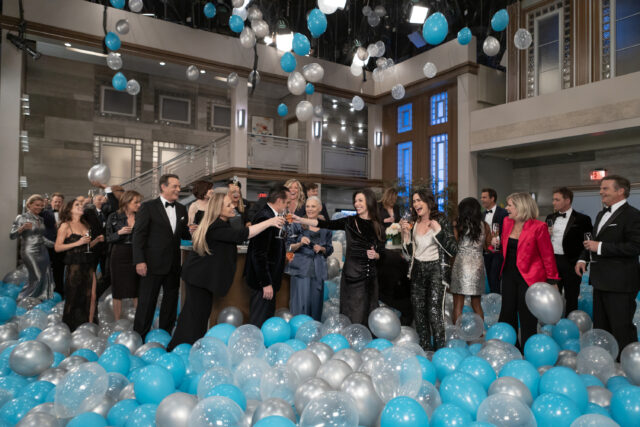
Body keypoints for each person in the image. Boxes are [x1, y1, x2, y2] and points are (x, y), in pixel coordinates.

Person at [168, 193, 285, 349]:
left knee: (197, 316)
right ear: (218, 208)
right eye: (228, 205)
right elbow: (243, 234)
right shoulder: (216, 226)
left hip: (201, 277)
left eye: (232, 204)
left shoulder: (221, 224)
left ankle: (187, 347)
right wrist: (270, 222)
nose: (233, 207)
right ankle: (181, 348)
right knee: (194, 317)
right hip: (199, 277)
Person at [294, 188, 385, 326]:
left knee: (369, 313)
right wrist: (300, 219)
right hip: (351, 276)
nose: (357, 204)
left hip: (370, 278)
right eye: (355, 201)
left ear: (369, 202)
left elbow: (382, 252)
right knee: (352, 314)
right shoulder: (350, 221)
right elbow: (325, 224)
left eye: (360, 200)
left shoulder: (378, 226)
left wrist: (376, 255)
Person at [576, 175, 640, 358]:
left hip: (621, 283)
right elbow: (594, 242)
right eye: (601, 188)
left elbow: (635, 246)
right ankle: (606, 362)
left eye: (605, 188)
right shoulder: (601, 213)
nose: (600, 192)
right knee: (602, 327)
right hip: (600, 281)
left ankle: (628, 365)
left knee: (621, 327)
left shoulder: (633, 215)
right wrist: (582, 259)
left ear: (621, 191)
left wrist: (601, 247)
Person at [495, 192, 560, 349]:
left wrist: (552, 280)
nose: (507, 208)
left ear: (521, 207)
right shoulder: (506, 222)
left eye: (510, 205)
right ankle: (510, 347)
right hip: (508, 274)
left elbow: (547, 256)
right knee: (507, 312)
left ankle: (528, 349)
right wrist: (493, 244)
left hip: (529, 277)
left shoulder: (539, 227)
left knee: (527, 315)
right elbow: (504, 247)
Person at [132, 174, 192, 337]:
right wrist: (139, 261)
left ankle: (165, 335)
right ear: (163, 187)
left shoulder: (181, 208)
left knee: (171, 303)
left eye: (179, 186)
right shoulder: (148, 207)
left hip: (173, 265)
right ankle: (139, 337)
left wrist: (194, 229)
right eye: (175, 186)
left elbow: (183, 233)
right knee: (146, 303)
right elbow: (138, 236)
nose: (178, 190)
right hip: (151, 264)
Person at [400, 190, 457, 351]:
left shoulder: (441, 221)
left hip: (436, 270)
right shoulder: (414, 223)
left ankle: (440, 350)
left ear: (428, 202)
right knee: (419, 313)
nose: (416, 204)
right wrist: (405, 236)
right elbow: (409, 255)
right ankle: (425, 349)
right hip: (418, 269)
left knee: (434, 312)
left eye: (419, 200)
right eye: (414, 201)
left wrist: (438, 231)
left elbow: (453, 250)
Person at [54, 197, 104, 330]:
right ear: (69, 209)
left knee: (92, 296)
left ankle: (90, 325)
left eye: (81, 204)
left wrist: (96, 241)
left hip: (88, 263)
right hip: (74, 266)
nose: (81, 206)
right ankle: (72, 328)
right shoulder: (65, 225)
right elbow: (57, 247)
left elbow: (86, 247)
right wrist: (78, 242)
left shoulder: (86, 224)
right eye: (77, 204)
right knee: (75, 297)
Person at [245, 186, 290, 326]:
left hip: (270, 279)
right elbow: (258, 254)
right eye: (287, 202)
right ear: (279, 201)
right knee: (259, 319)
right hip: (262, 282)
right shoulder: (265, 217)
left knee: (266, 319)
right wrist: (266, 283)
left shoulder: (273, 216)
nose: (288, 206)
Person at [545, 187, 592, 315]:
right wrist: (546, 235)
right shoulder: (550, 217)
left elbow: (588, 243)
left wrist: (582, 259)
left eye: (557, 199)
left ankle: (570, 325)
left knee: (571, 297)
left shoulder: (583, 219)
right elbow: (544, 243)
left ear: (567, 200)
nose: (553, 202)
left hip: (572, 263)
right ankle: (553, 323)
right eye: (553, 199)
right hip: (553, 262)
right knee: (552, 297)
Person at [286, 196, 334, 320]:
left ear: (320, 209)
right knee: (300, 306)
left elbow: (329, 249)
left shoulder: (326, 227)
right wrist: (300, 243)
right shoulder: (297, 224)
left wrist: (322, 249)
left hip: (318, 271)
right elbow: (288, 247)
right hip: (301, 270)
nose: (310, 209)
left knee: (316, 306)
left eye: (313, 206)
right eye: (307, 206)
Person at [451, 197, 492, 325]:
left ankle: (457, 334)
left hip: (461, 264)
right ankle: (479, 335)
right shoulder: (484, 225)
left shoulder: (458, 224)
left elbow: (453, 246)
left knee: (458, 305)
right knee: (477, 304)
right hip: (477, 266)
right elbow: (488, 247)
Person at [10, 195, 55, 300]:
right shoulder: (21, 217)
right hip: (29, 251)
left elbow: (41, 238)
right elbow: (12, 235)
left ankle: (39, 300)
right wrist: (22, 228)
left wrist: (55, 244)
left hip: (43, 251)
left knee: (46, 276)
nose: (39, 208)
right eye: (37, 205)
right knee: (36, 276)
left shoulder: (41, 219)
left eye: (41, 206)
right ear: (29, 205)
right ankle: (23, 300)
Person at [106, 190, 142, 321]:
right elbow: (108, 238)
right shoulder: (113, 216)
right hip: (119, 254)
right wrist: (119, 233)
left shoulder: (141, 216)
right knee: (118, 289)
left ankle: (139, 320)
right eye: (136, 202)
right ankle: (117, 320)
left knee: (137, 288)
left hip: (137, 253)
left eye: (139, 202)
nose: (139, 205)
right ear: (126, 202)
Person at [481, 188, 508, 294]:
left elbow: (507, 230)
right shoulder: (482, 215)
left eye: (484, 197)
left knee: (494, 277)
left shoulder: (503, 213)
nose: (482, 199)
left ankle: (497, 301)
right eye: (481, 197)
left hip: (498, 251)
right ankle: (493, 300)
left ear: (492, 198)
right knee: (489, 277)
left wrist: (498, 240)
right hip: (486, 251)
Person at [47, 192, 65, 296]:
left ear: (62, 203)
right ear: (51, 202)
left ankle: (59, 292)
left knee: (59, 270)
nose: (57, 203)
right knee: (46, 271)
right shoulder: (44, 213)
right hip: (48, 247)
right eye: (55, 201)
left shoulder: (67, 215)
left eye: (59, 202)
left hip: (61, 247)